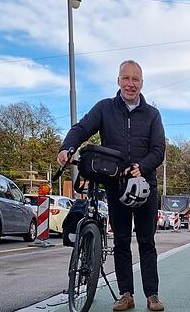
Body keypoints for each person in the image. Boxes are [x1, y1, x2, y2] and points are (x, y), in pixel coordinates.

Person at [57, 60, 166, 311]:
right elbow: (81, 128)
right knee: (121, 242)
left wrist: (143, 166)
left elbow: (159, 150)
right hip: (116, 185)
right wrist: (67, 147)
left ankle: (152, 295)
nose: (130, 84)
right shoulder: (105, 108)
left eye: (135, 79)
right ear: (118, 80)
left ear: (142, 82)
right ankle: (126, 294)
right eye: (125, 78)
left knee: (147, 242)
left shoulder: (152, 115)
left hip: (144, 186)